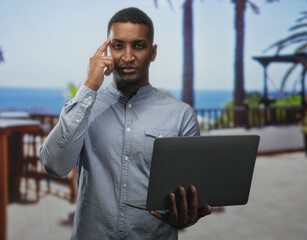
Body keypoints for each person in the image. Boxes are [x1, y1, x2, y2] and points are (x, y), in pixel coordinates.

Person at [40, 7, 211, 239]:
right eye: (118, 45)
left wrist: (185, 215)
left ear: (153, 52)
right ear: (107, 50)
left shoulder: (181, 115)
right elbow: (53, 165)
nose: (128, 57)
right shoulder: (84, 106)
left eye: (138, 46)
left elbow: (190, 192)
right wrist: (90, 85)